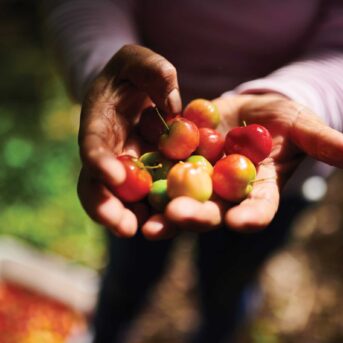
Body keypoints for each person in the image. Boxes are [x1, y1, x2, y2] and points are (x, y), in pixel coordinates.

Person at [44, 1, 343, 342]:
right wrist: (106, 67)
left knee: (226, 291)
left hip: (280, 169)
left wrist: (300, 97)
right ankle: (105, 333)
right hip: (139, 140)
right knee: (126, 278)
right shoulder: (147, 163)